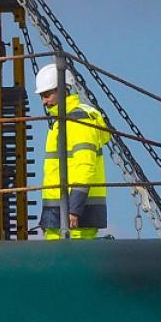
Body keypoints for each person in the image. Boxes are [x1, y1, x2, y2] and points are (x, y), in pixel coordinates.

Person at [34, 63, 108, 240]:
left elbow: (85, 167)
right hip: (59, 213)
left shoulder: (77, 121)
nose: (44, 101)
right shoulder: (63, 122)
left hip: (74, 217)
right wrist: (48, 218)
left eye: (47, 94)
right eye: (42, 96)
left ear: (63, 90)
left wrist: (74, 209)